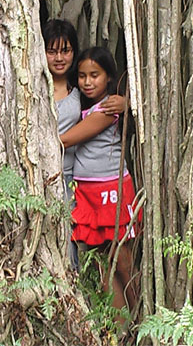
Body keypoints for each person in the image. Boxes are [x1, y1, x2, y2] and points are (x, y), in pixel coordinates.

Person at [59, 46, 140, 321]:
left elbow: (68, 139)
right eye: (82, 76)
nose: (88, 81)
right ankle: (120, 330)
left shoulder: (108, 107)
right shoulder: (83, 105)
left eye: (95, 75)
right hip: (87, 193)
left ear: (108, 77)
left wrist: (128, 102)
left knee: (123, 261)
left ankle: (142, 319)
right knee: (103, 265)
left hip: (111, 191)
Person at [42, 20, 125, 271]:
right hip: (33, 174)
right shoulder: (32, 85)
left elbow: (104, 107)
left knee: (68, 249)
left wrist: (125, 103)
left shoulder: (80, 93)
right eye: (52, 51)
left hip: (69, 181)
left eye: (65, 50)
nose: (59, 58)